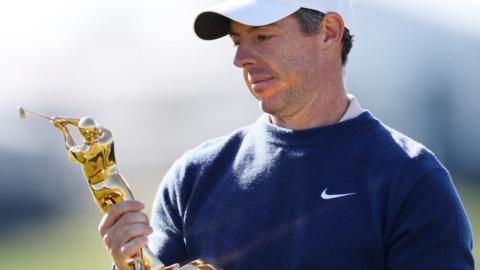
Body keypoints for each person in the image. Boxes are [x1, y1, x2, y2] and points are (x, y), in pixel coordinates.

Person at [98, 0, 475, 269]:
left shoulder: (411, 179)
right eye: (236, 40)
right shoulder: (194, 175)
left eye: (262, 37)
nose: (240, 57)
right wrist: (127, 265)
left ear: (329, 32)